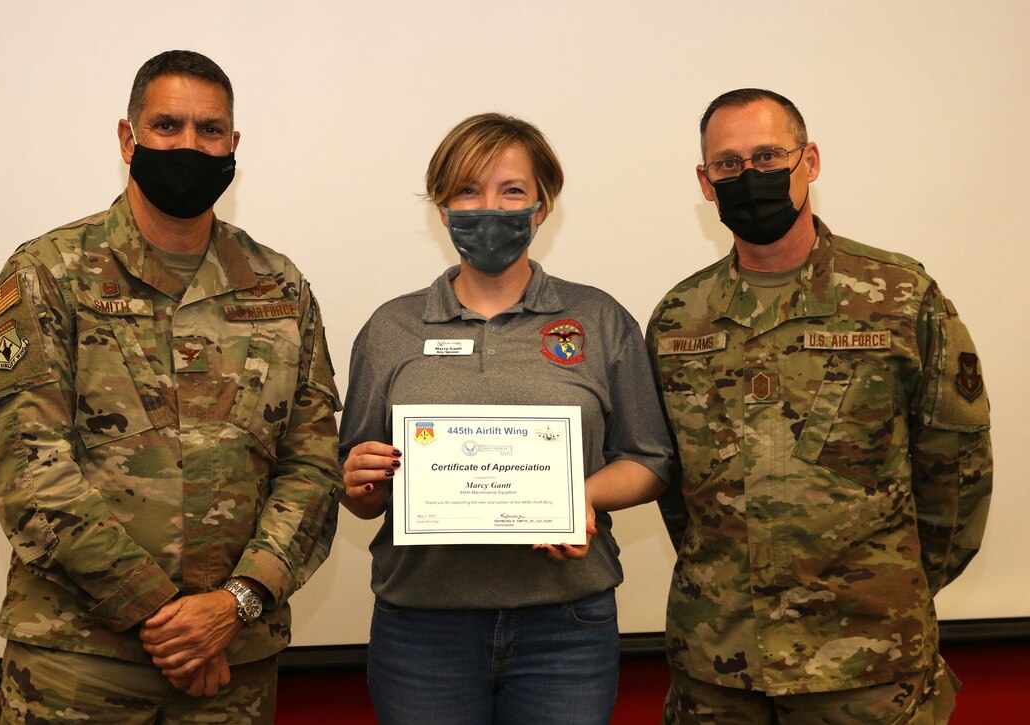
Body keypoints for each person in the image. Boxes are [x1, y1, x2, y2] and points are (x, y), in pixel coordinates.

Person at [0, 50, 342, 723]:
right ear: (128, 138)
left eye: (210, 130)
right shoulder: (50, 272)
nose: (189, 145)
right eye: (167, 125)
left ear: (233, 145)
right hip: (81, 663)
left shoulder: (279, 286)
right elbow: (30, 473)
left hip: (234, 661)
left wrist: (233, 605)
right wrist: (169, 617)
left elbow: (313, 467)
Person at [646, 88, 992, 724]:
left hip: (868, 662)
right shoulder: (678, 318)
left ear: (809, 161)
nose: (749, 176)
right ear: (705, 182)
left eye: (768, 156)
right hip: (720, 665)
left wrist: (891, 587)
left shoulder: (899, 296)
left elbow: (956, 472)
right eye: (728, 164)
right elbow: (676, 486)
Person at [339, 112, 674, 725]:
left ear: (542, 208)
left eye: (512, 190)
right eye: (467, 190)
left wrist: (578, 497)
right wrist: (360, 480)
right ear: (442, 208)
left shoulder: (598, 319)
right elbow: (363, 492)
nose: (488, 207)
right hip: (422, 628)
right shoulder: (391, 328)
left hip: (566, 628)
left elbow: (649, 460)